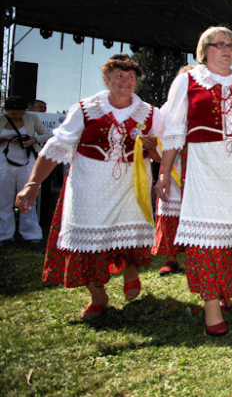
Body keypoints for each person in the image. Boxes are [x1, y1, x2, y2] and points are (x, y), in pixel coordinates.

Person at [15, 54, 162, 320]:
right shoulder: (85, 109)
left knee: (129, 234)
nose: (125, 81)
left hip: (130, 188)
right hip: (88, 187)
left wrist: (154, 149)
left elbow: (166, 154)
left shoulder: (150, 113)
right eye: (119, 75)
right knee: (85, 244)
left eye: (131, 77)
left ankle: (130, 271)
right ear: (106, 79)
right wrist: (33, 183)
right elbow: (55, 147)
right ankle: (98, 296)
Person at [155, 26, 232, 337]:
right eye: (218, 44)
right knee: (206, 233)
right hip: (204, 167)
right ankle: (210, 303)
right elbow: (174, 130)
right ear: (203, 49)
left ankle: (223, 289)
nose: (226, 50)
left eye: (231, 46)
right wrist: (163, 173)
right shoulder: (189, 79)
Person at [153, 64, 195, 277]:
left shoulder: (203, 103)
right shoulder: (167, 108)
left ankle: (198, 256)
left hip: (198, 166)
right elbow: (159, 138)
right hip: (175, 166)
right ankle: (171, 258)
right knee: (171, 212)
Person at [1, 96, 52, 246]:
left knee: (29, 198)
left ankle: (31, 233)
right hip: (4, 162)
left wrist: (33, 140)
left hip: (26, 161)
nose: (17, 116)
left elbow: (47, 134)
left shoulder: (32, 118)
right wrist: (5, 138)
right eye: (12, 114)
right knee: (3, 200)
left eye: (19, 113)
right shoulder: (1, 119)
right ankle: (4, 234)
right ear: (6, 111)